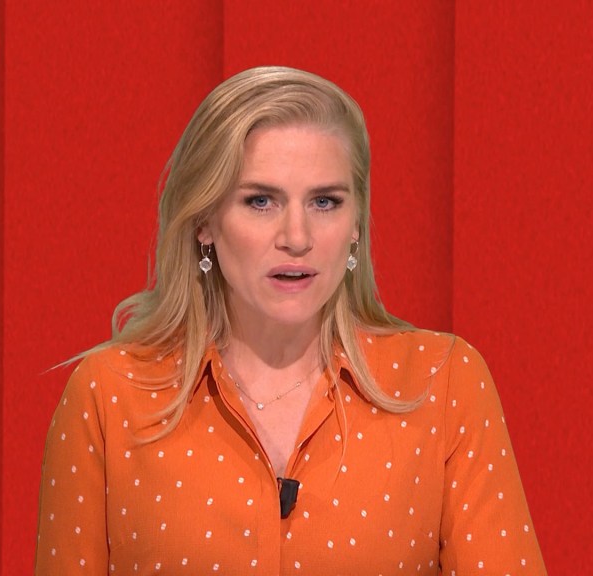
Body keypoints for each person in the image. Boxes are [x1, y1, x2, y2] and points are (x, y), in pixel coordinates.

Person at [35, 66, 546, 574]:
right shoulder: (109, 396)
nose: (297, 237)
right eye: (261, 201)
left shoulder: (442, 382)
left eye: (325, 202)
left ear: (355, 223)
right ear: (205, 221)